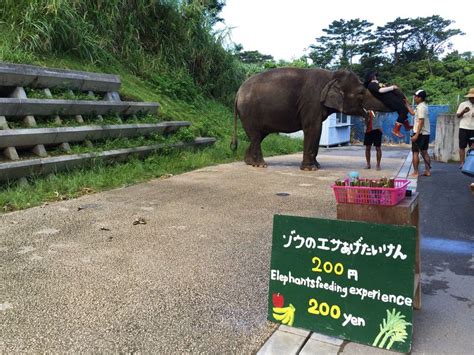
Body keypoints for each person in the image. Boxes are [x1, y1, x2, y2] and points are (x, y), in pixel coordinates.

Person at [364, 71, 415, 138]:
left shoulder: (376, 83)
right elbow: (380, 90)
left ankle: (407, 126)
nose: (375, 76)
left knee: (402, 111)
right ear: (371, 77)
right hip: (389, 100)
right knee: (404, 110)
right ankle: (396, 130)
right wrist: (392, 87)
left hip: (392, 99)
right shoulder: (371, 84)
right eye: (374, 76)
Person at [411, 90, 431, 177]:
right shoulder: (423, 106)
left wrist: (416, 135)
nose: (415, 98)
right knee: (425, 152)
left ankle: (415, 172)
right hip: (425, 133)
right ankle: (427, 171)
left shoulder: (421, 108)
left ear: (420, 98)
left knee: (415, 152)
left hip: (420, 134)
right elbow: (412, 113)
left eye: (416, 96)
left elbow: (421, 121)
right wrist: (407, 104)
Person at [455, 88, 474, 168]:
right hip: (463, 128)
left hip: (473, 129)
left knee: (473, 147)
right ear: (469, 97)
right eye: (471, 97)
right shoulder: (463, 104)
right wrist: (464, 111)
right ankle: (462, 163)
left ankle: (471, 163)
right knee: (462, 146)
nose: (472, 99)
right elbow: (458, 116)